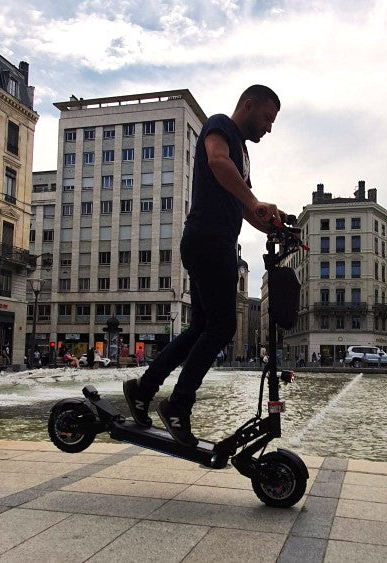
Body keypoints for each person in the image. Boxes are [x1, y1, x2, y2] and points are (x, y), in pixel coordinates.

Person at [123, 85, 283, 447]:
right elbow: (216, 161)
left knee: (199, 328)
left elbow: (246, 206)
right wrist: (256, 201)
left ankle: (143, 388)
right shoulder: (220, 127)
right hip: (208, 240)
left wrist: (272, 221)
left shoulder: (242, 153)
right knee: (223, 324)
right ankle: (178, 404)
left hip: (212, 242)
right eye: (267, 118)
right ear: (248, 104)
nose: (269, 128)